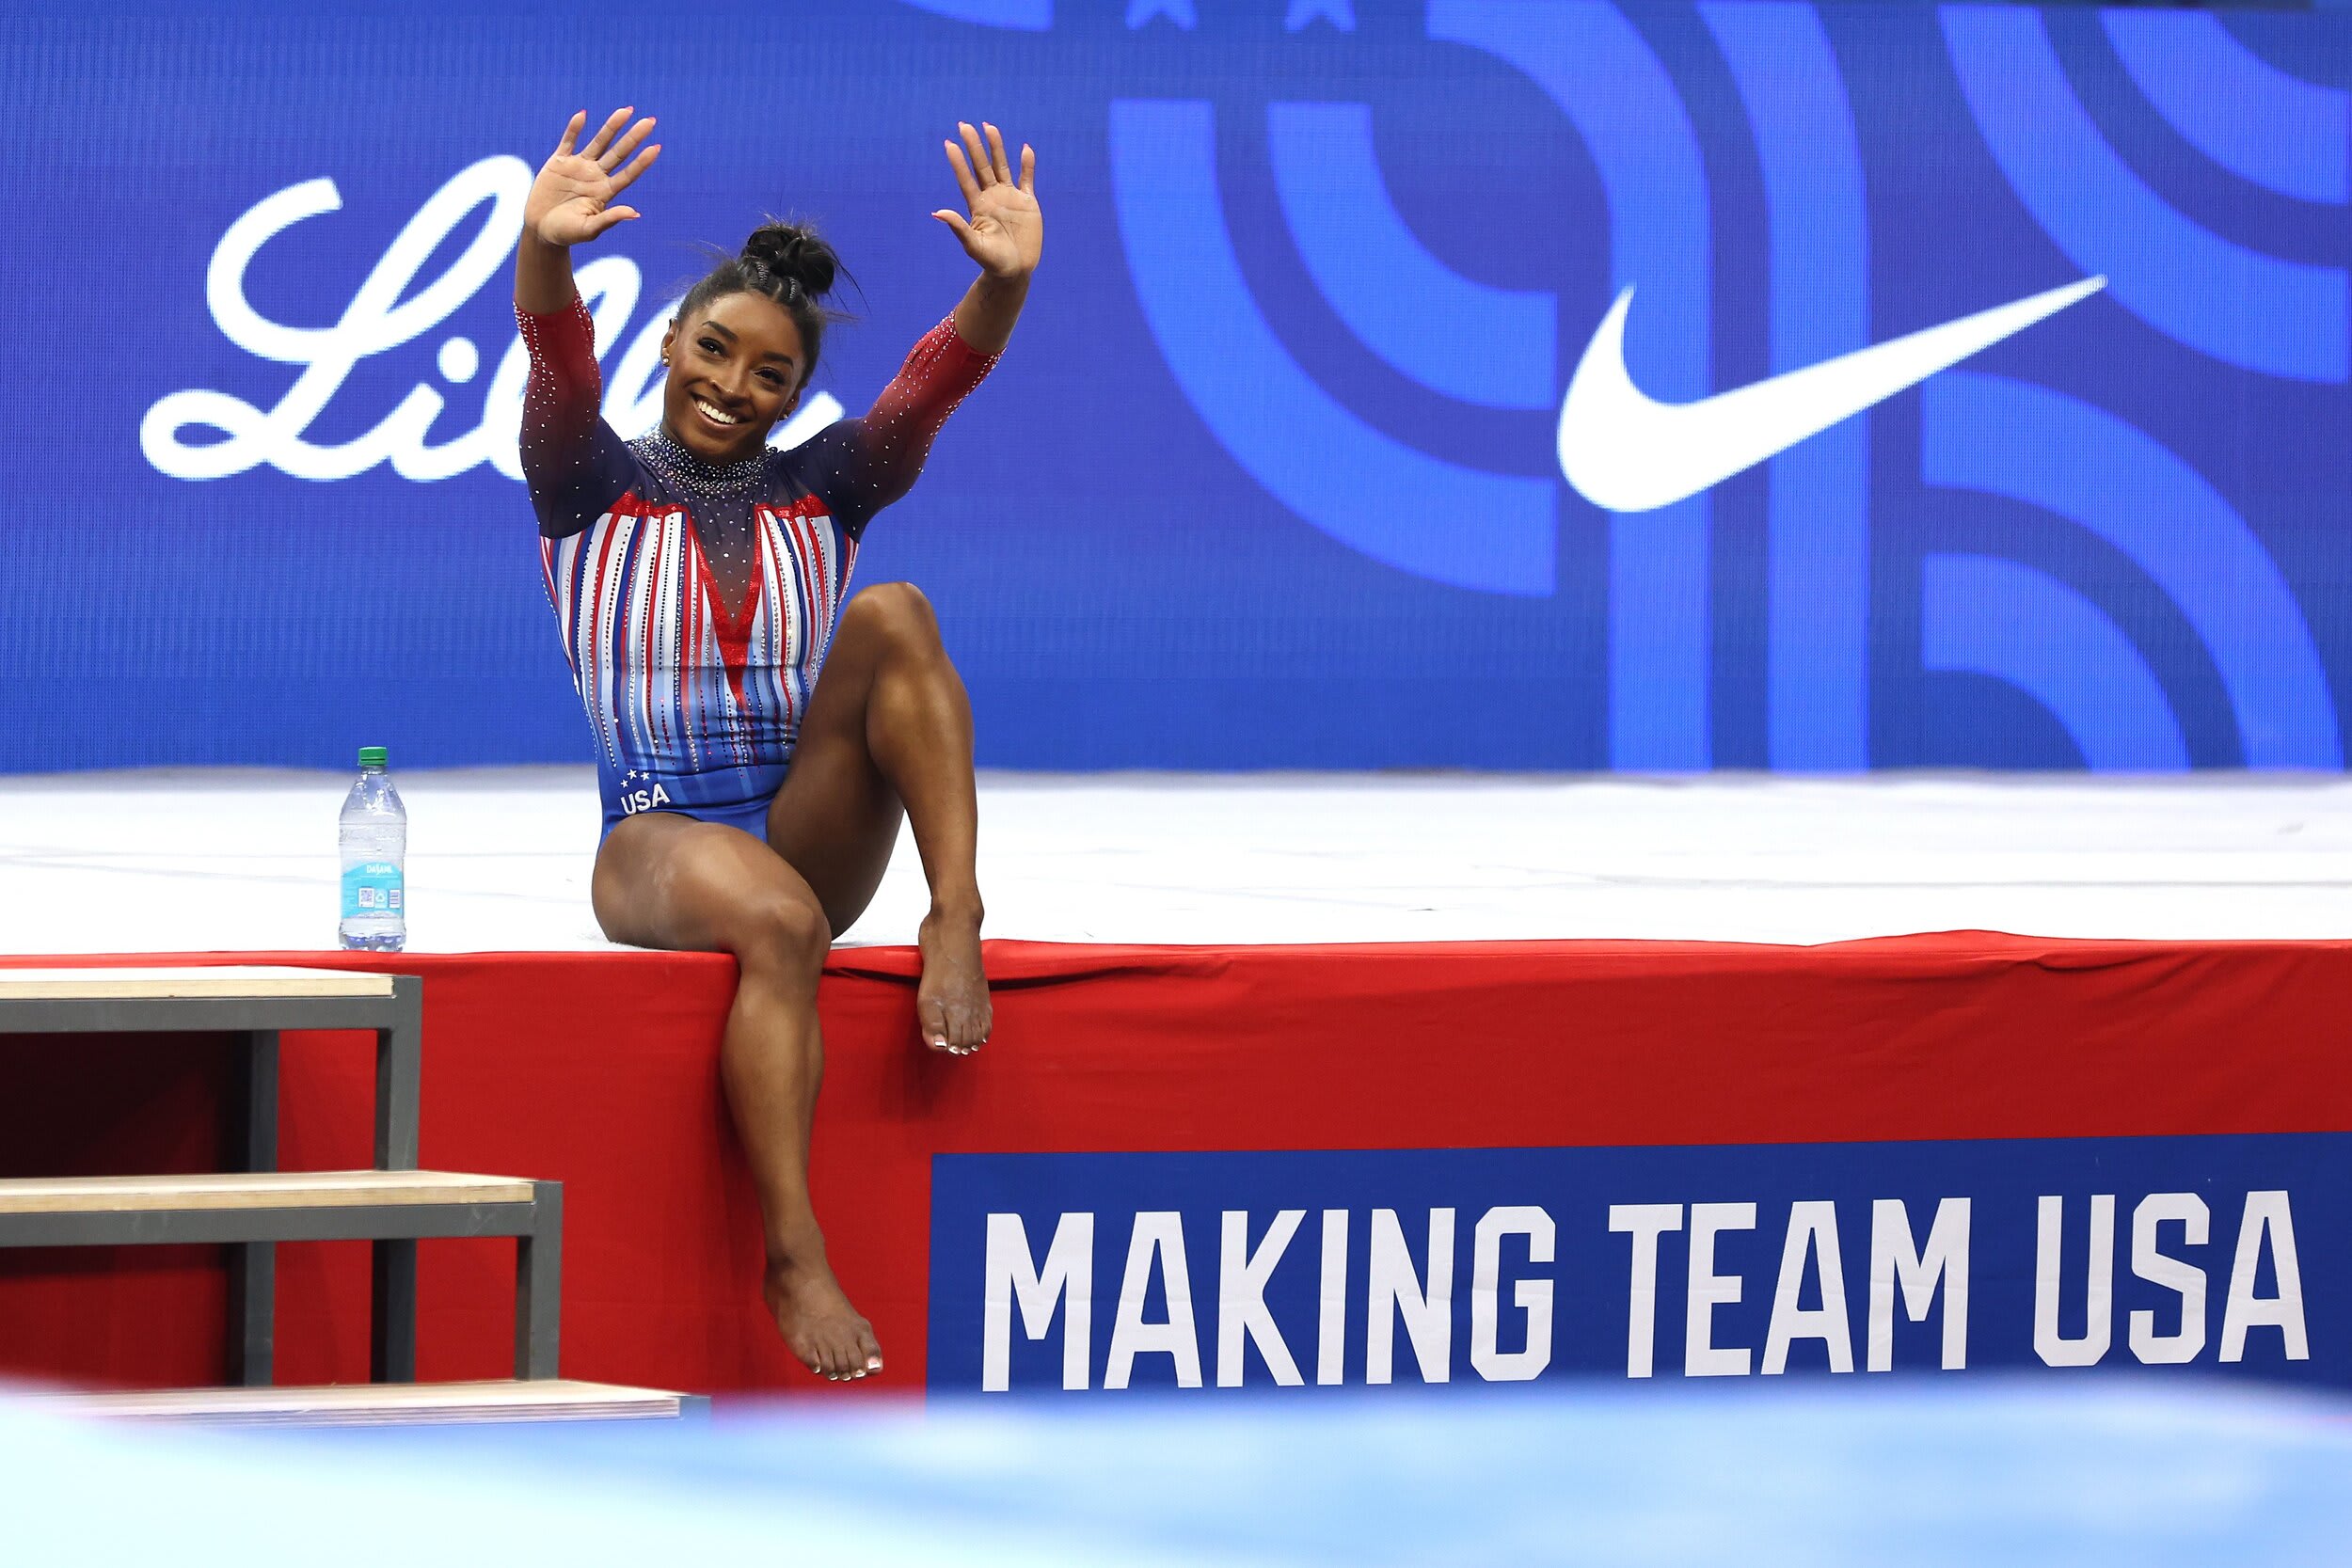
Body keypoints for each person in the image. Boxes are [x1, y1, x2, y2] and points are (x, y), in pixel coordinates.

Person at [512, 106, 1040, 1382]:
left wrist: (1000, 284)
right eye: (712, 352)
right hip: (654, 836)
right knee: (782, 926)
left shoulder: (827, 488)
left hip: (800, 825)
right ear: (671, 341)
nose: (733, 387)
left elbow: (935, 384)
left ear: (799, 397)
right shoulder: (584, 476)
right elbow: (556, 362)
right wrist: (544, 251)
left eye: (770, 376)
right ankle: (793, 1249)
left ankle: (954, 916)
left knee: (898, 614)